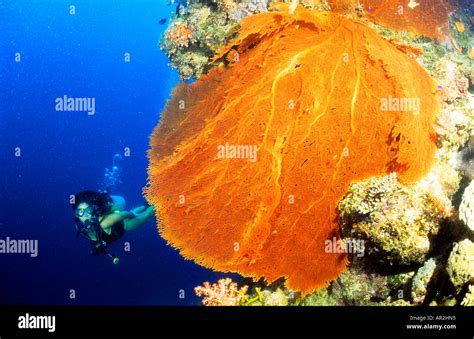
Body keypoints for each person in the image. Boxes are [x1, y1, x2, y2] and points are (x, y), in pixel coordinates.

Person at [72, 190, 155, 263]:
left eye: (88, 210)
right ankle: (145, 205)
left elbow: (123, 214)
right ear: (76, 214)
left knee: (146, 215)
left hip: (126, 225)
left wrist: (132, 215)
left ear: (93, 210)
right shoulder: (83, 230)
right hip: (119, 223)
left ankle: (160, 204)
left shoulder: (103, 223)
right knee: (137, 211)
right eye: (80, 212)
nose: (85, 215)